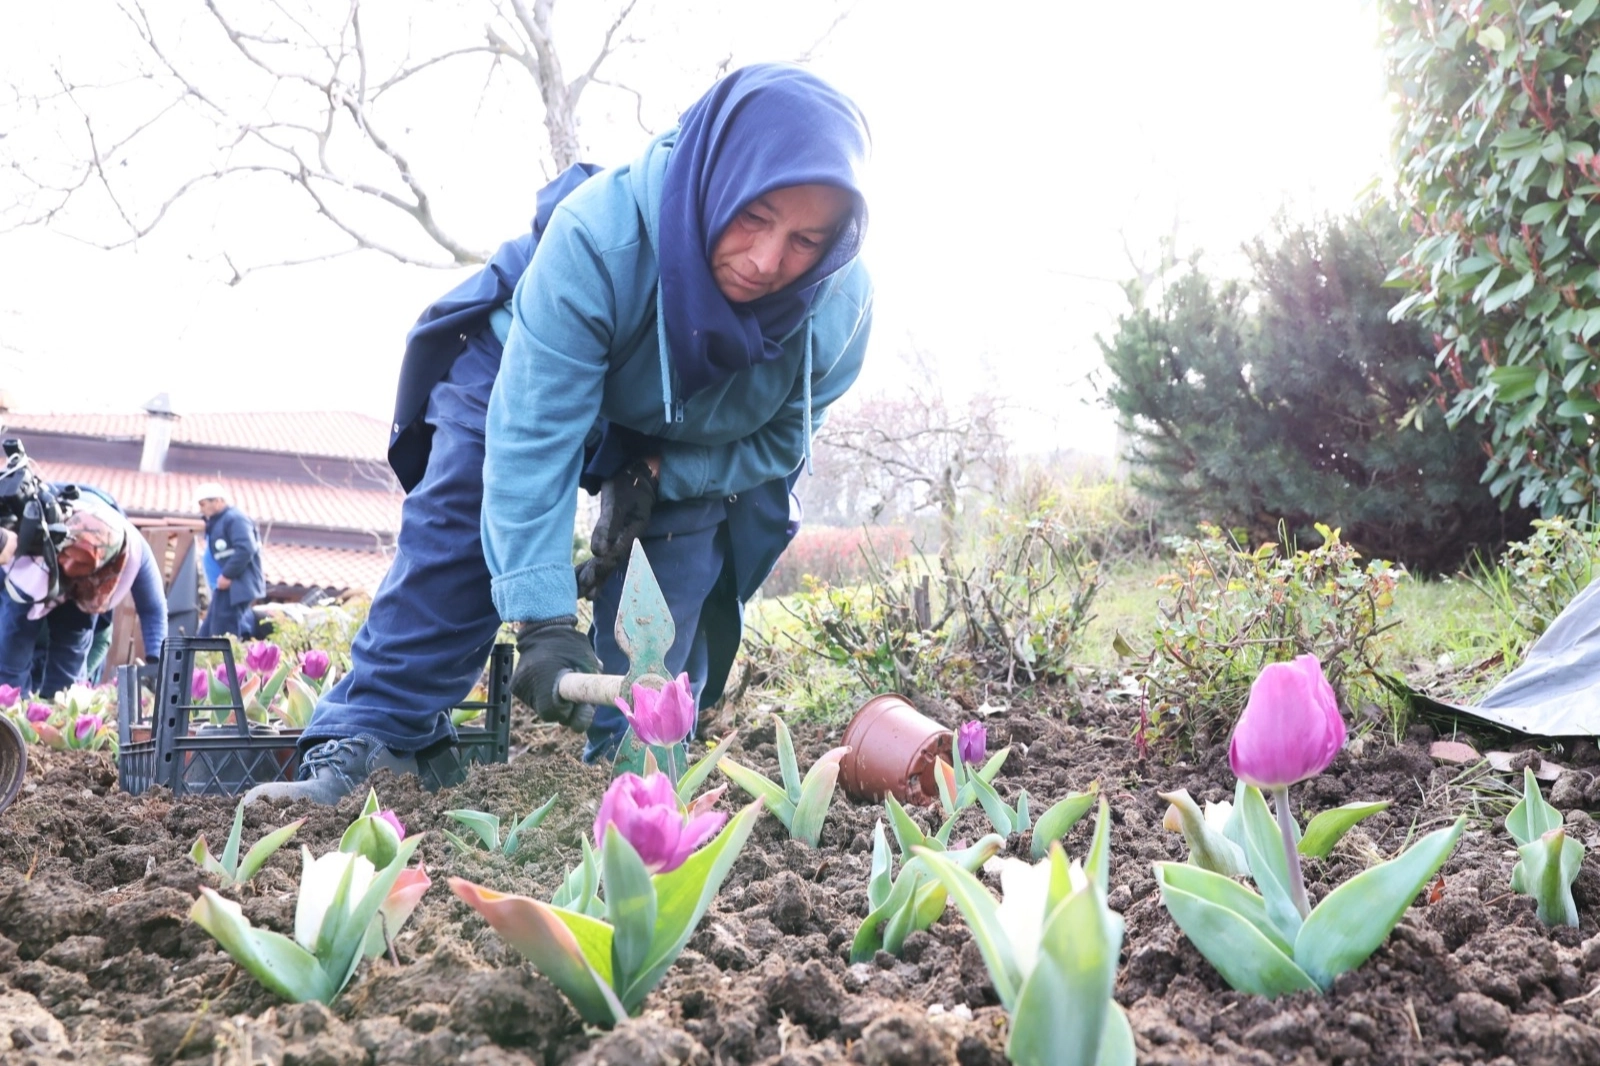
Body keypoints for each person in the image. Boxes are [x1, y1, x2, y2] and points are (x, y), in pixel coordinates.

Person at [247, 64, 872, 805]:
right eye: (754, 217)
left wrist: (663, 477)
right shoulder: (599, 238)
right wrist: (542, 619)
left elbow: (776, 447)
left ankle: (633, 778)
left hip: (679, 437)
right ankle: (377, 738)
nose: (770, 262)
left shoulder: (835, 317)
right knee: (467, 515)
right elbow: (533, 438)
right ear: (714, 183)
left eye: (805, 241)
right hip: (526, 364)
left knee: (672, 589)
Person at [0, 482, 168, 697]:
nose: (71, 567)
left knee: (67, 681)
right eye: (67, 561)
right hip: (37, 571)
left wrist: (156, 662)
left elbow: (153, 607)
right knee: (11, 667)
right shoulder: (28, 541)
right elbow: (13, 651)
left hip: (86, 598)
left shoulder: (134, 551)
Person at [196, 482, 264, 639]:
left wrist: (227, 575)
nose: (201, 509)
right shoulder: (219, 522)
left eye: (203, 504)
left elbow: (246, 548)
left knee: (223, 632)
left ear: (218, 501)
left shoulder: (235, 519)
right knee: (207, 633)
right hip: (224, 588)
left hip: (235, 586)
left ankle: (223, 663)